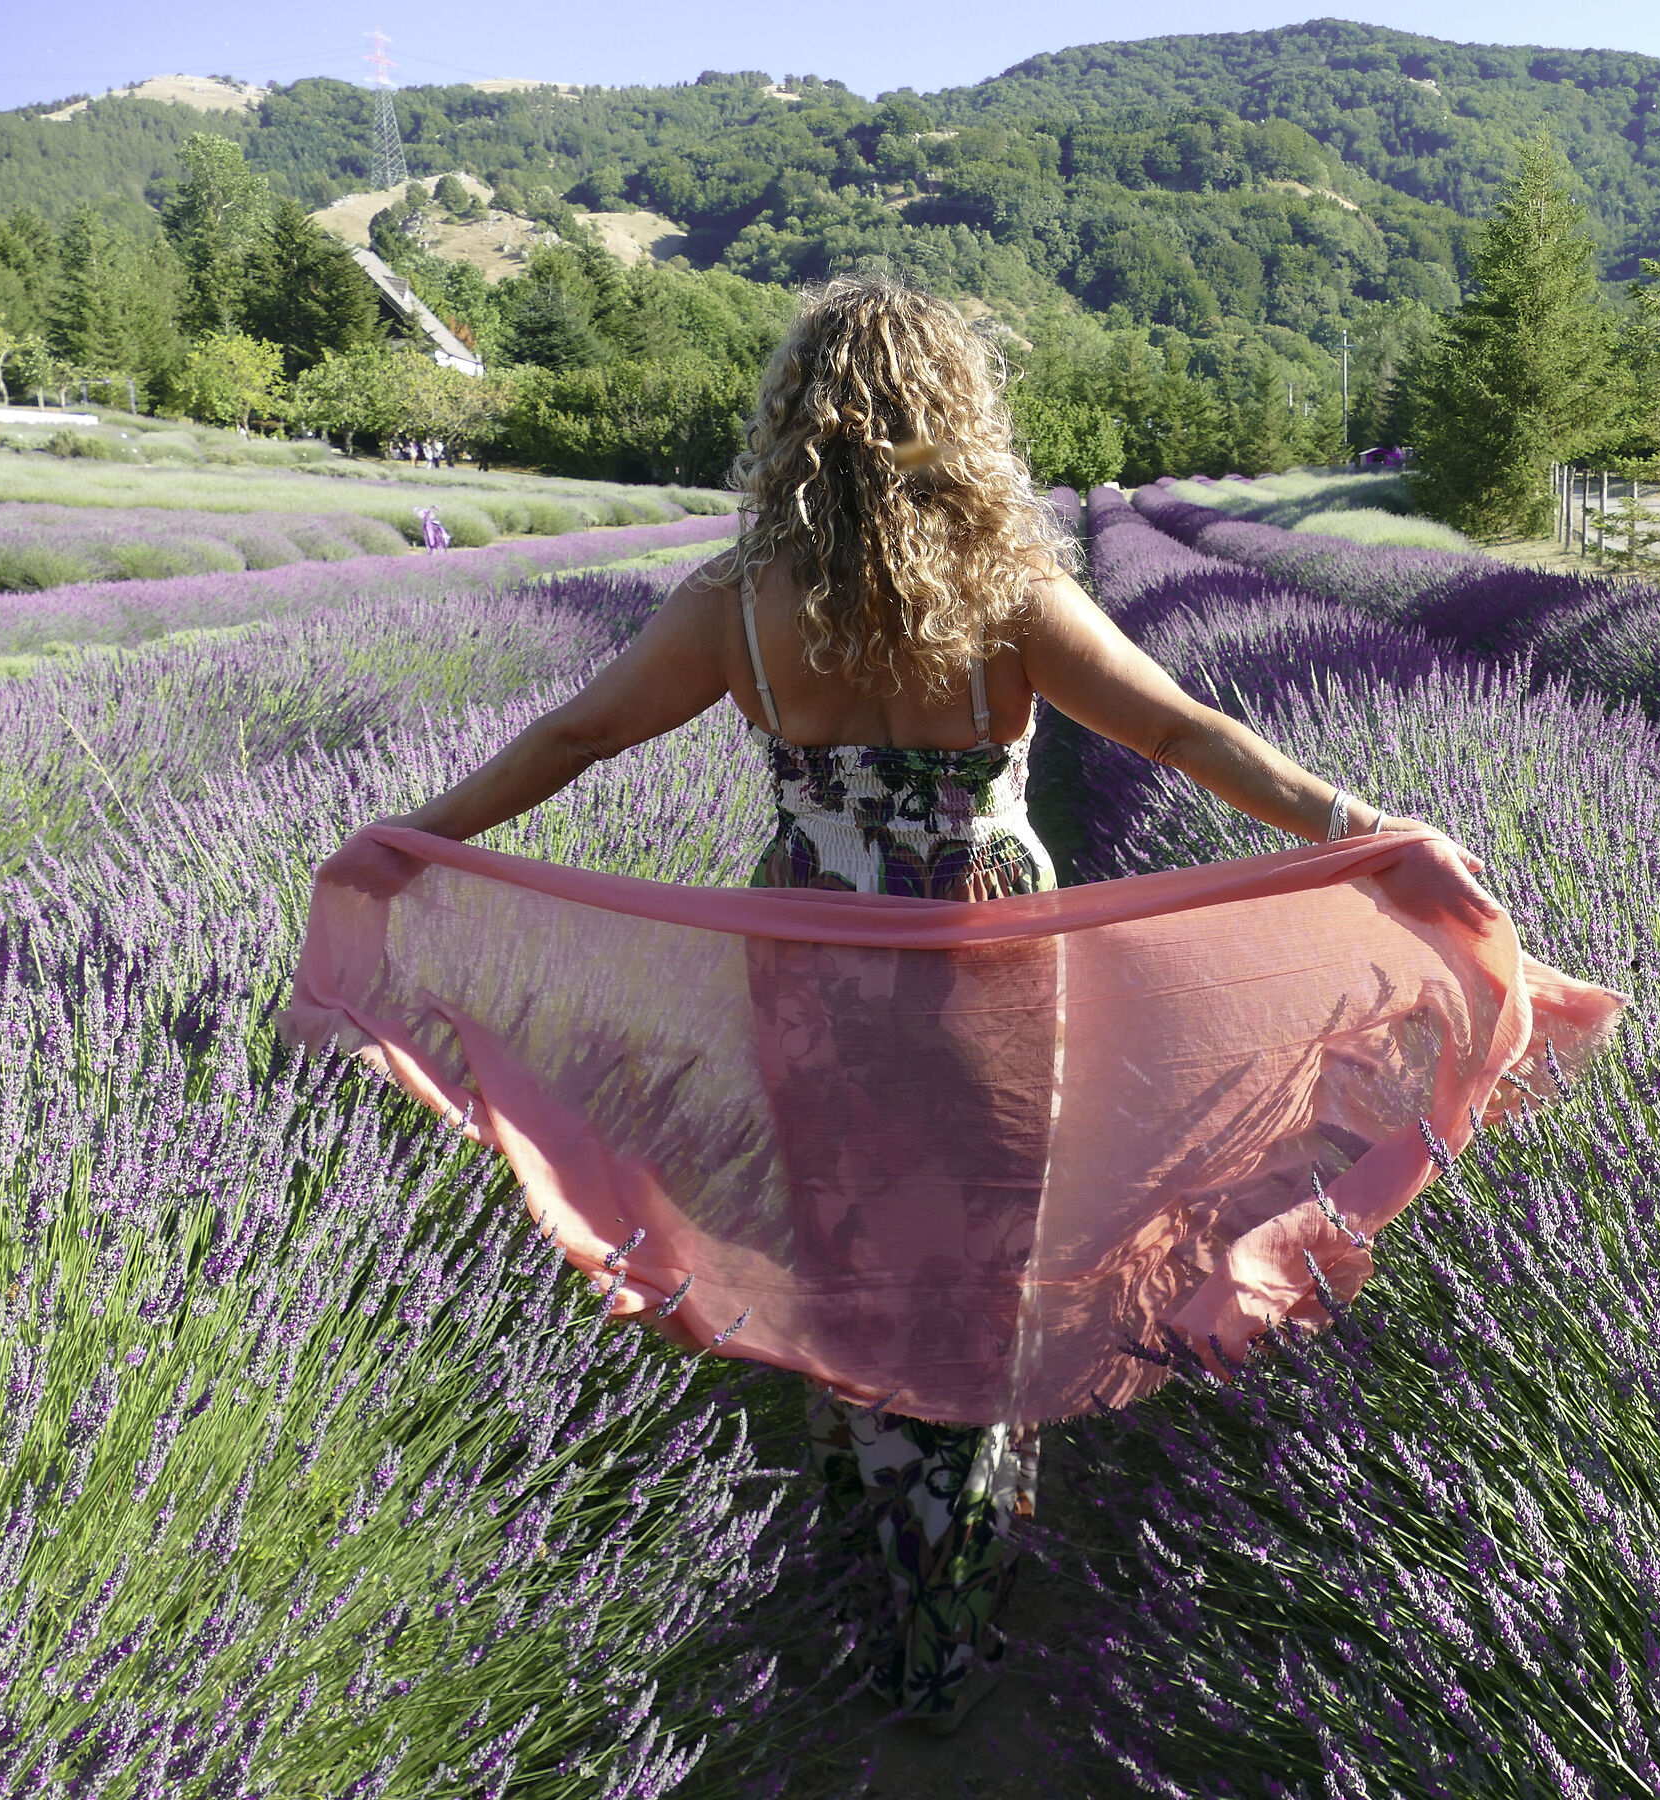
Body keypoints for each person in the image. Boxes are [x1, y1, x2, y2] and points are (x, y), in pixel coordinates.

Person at [350, 274, 1496, 1735]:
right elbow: (1179, 729)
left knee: (846, 1248)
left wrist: (416, 840)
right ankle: (954, 1597)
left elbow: (574, 735)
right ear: (956, 415)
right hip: (987, 959)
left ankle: (869, 1546)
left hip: (815, 958)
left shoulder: (738, 605)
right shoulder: (1006, 590)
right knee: (986, 1261)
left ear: (795, 421)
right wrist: (1361, 820)